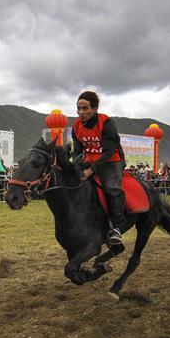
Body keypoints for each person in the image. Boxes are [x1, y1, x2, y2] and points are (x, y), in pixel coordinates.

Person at [71, 91, 126, 246]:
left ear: (95, 108)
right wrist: (76, 165)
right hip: (89, 161)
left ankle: (116, 228)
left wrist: (91, 170)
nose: (80, 112)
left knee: (112, 188)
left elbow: (108, 152)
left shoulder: (107, 123)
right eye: (78, 108)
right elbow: (77, 151)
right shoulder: (76, 126)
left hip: (111, 161)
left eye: (85, 108)